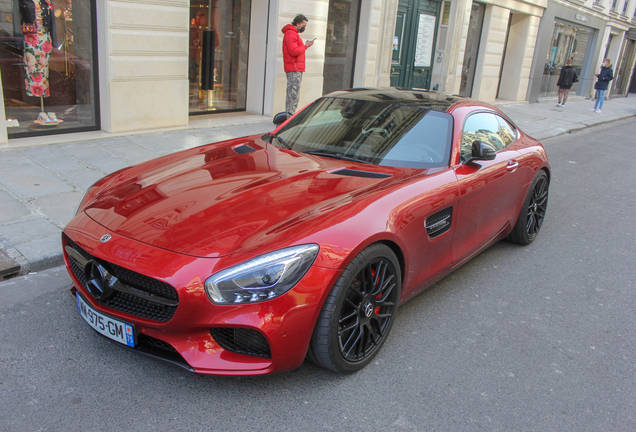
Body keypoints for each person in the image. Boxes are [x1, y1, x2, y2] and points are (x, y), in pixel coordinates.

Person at [282, 14, 314, 115]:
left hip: (295, 67)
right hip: (294, 68)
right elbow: (294, 51)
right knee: (293, 94)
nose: (304, 27)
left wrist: (305, 45)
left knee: (293, 94)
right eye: (303, 25)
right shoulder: (291, 34)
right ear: (298, 23)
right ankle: (289, 117)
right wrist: (305, 46)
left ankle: (289, 116)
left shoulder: (293, 33)